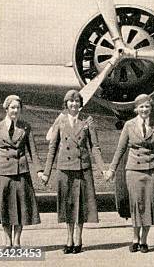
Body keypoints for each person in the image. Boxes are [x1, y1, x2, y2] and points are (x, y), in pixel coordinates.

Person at [41, 90, 106, 254]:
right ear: (66, 104)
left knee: (80, 206)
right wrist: (46, 172)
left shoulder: (87, 122)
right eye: (71, 101)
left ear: (80, 104)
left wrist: (103, 169)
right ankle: (68, 238)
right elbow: (52, 148)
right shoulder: (60, 121)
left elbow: (95, 147)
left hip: (82, 169)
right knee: (67, 205)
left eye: (77, 101)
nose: (74, 104)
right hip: (64, 169)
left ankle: (78, 239)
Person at [107, 94, 154, 253]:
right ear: (136, 109)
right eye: (141, 107)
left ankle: (144, 241)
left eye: (147, 106)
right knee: (136, 205)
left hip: (152, 170)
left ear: (150, 108)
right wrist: (112, 169)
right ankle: (135, 238)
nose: (144, 109)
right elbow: (121, 148)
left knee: (148, 205)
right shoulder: (129, 125)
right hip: (133, 170)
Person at [0, 95, 44, 248]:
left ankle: (17, 242)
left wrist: (39, 170)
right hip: (3, 174)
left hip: (21, 173)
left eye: (18, 108)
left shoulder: (26, 127)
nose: (15, 110)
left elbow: (33, 151)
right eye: (12, 107)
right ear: (6, 109)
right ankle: (7, 242)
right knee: (5, 209)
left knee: (21, 208)